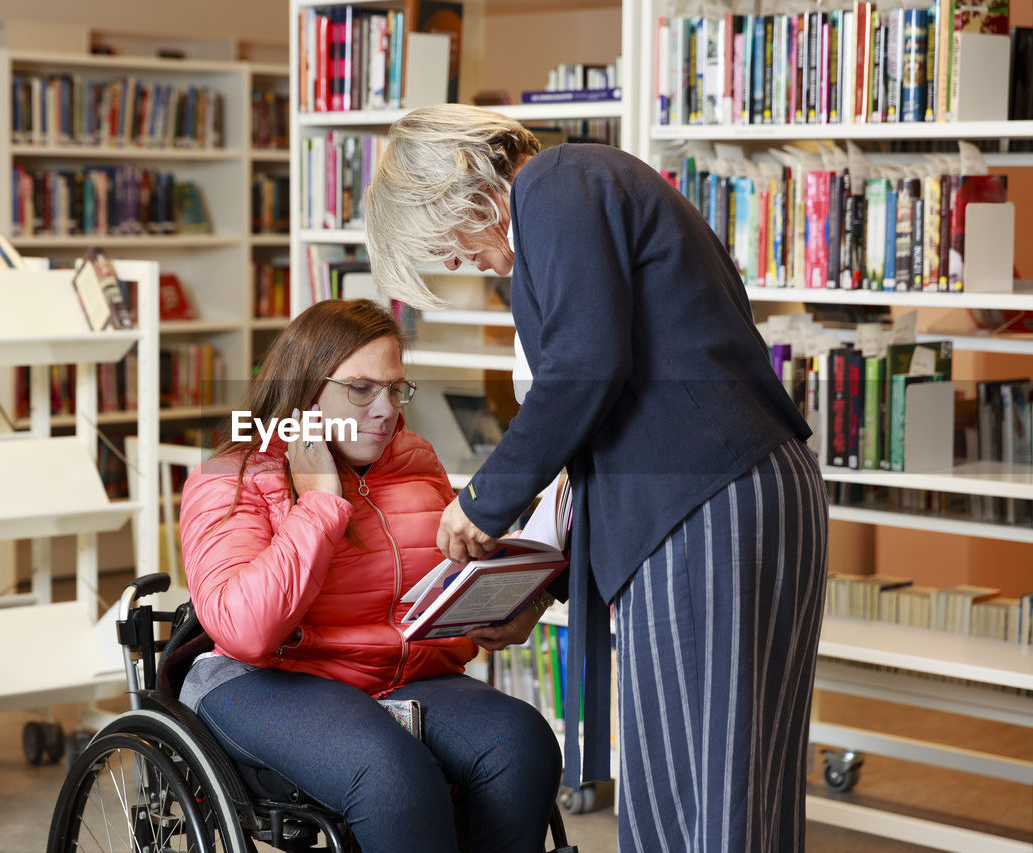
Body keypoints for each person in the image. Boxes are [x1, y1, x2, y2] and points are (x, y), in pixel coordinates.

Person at [364, 104, 829, 852]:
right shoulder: (578, 192)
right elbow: (603, 431)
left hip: (704, 501)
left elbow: (584, 369)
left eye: (445, 241)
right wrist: (535, 589)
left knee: (697, 794)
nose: (458, 261)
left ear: (457, 186)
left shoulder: (554, 181)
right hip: (729, 493)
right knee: (728, 789)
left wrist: (484, 501)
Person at [176, 298, 562, 853]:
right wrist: (319, 503)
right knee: (393, 778)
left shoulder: (414, 458)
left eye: (395, 389)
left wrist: (512, 596)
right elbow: (246, 631)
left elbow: (445, 578)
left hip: (399, 675)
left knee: (522, 742)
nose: (384, 410)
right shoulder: (231, 478)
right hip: (267, 679)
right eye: (361, 389)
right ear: (306, 391)